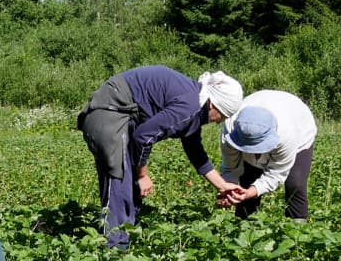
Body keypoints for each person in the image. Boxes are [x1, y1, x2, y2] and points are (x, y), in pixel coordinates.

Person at [78, 66, 244, 247]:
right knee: (120, 184)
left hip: (123, 114)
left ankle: (123, 243)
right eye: (222, 115)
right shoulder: (190, 105)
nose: (219, 121)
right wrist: (143, 176)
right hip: (108, 111)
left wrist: (222, 185)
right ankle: (112, 251)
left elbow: (196, 152)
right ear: (213, 104)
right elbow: (143, 137)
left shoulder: (194, 104)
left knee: (131, 187)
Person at [217, 90, 317, 221]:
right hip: (261, 115)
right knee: (247, 180)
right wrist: (229, 190)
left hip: (300, 128)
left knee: (295, 183)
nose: (255, 153)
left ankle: (298, 229)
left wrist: (251, 193)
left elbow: (277, 173)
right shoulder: (230, 129)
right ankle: (245, 225)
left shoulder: (286, 134)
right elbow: (230, 167)